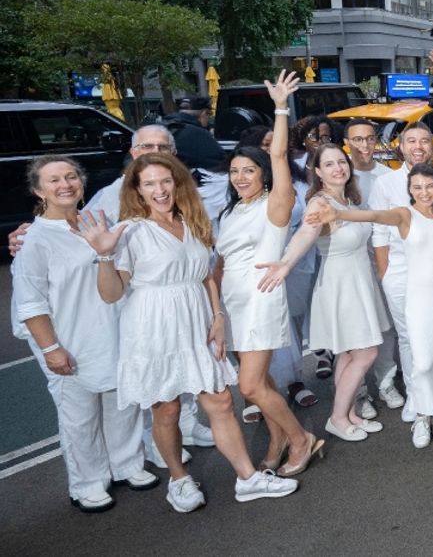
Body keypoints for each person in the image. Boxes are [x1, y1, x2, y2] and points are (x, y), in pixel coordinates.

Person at [79, 153, 298, 512]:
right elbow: (111, 293)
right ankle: (179, 481)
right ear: (137, 189)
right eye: (149, 183)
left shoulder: (192, 220)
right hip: (153, 325)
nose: (159, 190)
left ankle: (247, 478)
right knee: (166, 409)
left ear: (177, 182)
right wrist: (104, 256)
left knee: (222, 401)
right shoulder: (131, 230)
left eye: (165, 181)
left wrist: (217, 316)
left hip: (196, 319)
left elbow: (205, 275)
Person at [12, 156, 157, 512]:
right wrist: (51, 348)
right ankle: (88, 482)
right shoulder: (34, 240)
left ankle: (127, 464)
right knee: (80, 417)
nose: (65, 184)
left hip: (112, 331)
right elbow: (30, 303)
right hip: (69, 341)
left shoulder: (96, 220)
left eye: (71, 176)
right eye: (54, 180)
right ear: (37, 190)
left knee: (122, 403)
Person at [214, 72, 322, 476]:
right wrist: (218, 312)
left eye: (249, 170)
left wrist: (280, 107)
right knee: (264, 384)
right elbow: (219, 264)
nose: (241, 177)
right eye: (235, 171)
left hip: (261, 298)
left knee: (250, 386)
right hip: (235, 303)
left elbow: (278, 155)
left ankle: (300, 438)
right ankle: (278, 439)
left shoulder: (273, 206)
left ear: (263, 174)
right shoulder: (231, 212)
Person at [310, 164, 433, 449]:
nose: (424, 192)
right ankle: (421, 414)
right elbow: (375, 215)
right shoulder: (404, 215)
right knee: (423, 360)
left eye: (429, 186)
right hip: (419, 298)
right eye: (417, 187)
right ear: (409, 190)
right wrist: (339, 214)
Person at [259, 144, 391, 444]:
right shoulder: (320, 203)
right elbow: (305, 234)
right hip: (339, 285)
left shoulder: (349, 199)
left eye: (341, 162)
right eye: (329, 164)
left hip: (359, 281)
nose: (338, 168)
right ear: (317, 172)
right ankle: (337, 418)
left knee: (348, 351)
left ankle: (349, 413)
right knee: (367, 352)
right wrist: (285, 263)